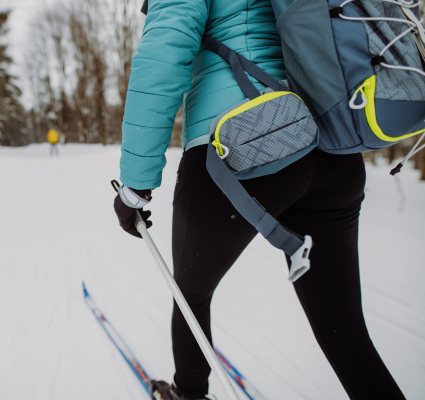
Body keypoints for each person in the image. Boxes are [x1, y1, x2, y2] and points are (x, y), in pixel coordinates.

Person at [113, 1, 406, 399]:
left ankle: (189, 393)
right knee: (346, 332)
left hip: (243, 144)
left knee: (191, 293)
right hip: (331, 148)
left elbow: (164, 54)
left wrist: (135, 183)